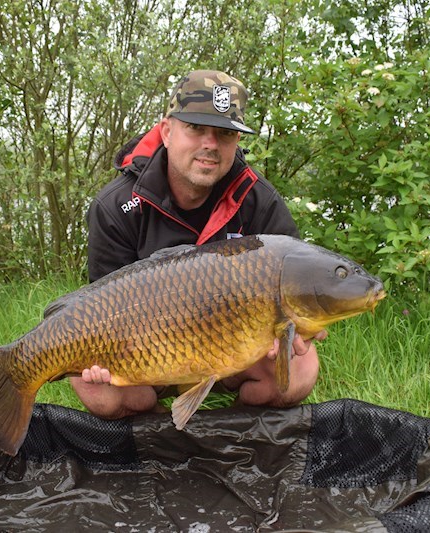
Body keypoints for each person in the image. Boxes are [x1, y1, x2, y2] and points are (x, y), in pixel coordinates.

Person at [72, 70, 326, 419]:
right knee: (96, 389)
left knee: (300, 371)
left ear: (237, 141)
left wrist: (297, 327)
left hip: (234, 350)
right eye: (196, 128)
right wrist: (97, 360)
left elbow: (297, 284)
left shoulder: (259, 201)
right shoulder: (117, 206)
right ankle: (155, 430)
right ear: (166, 131)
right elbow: (100, 308)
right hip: (149, 354)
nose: (210, 144)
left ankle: (235, 428)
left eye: (224, 134)